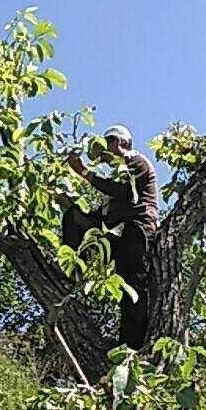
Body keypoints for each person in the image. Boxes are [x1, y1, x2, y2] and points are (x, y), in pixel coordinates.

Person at [63, 124, 158, 350]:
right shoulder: (116, 179)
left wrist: (84, 172)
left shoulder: (137, 162)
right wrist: (66, 202)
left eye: (110, 142)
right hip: (118, 233)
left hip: (136, 230)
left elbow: (122, 191)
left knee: (133, 287)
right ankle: (71, 272)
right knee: (73, 217)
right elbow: (101, 216)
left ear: (123, 142)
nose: (106, 148)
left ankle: (133, 346)